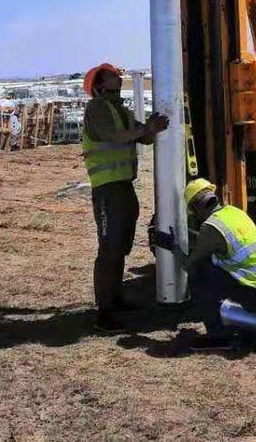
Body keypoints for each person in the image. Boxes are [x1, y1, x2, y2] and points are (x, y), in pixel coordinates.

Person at [151, 178, 256, 351]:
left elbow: (190, 265)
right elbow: (217, 241)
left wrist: (173, 248)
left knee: (200, 274)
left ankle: (218, 336)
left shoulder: (210, 228)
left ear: (195, 208)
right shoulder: (234, 213)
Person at [82, 62, 168, 332]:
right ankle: (104, 313)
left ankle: (116, 299)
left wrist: (153, 128)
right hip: (107, 187)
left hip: (123, 185)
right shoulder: (97, 108)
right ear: (99, 83)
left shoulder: (119, 109)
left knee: (121, 245)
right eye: (112, 75)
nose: (118, 76)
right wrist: (146, 130)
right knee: (109, 248)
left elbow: (144, 138)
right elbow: (114, 136)